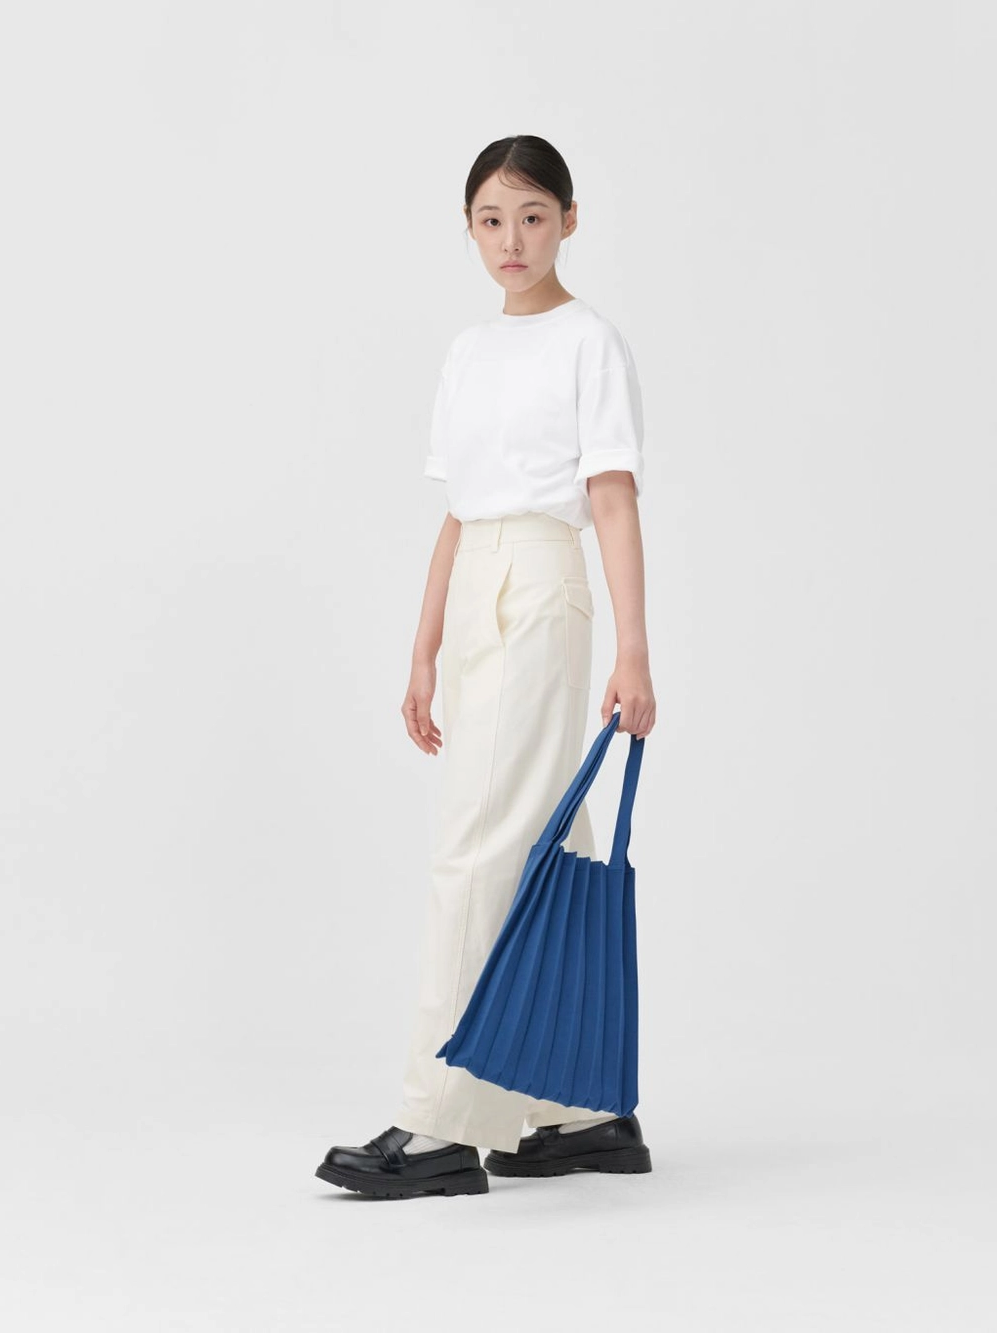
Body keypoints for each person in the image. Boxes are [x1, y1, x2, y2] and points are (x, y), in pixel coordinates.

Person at [316, 135, 656, 1200]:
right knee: (547, 831)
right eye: (491, 219)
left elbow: (611, 499)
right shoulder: (468, 352)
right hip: (475, 591)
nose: (512, 239)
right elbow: (459, 512)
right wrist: (422, 646)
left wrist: (634, 650)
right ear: (468, 228)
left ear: (569, 221)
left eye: (533, 216)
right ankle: (581, 1108)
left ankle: (440, 1122)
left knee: (477, 847)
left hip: (543, 583)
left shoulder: (589, 342)